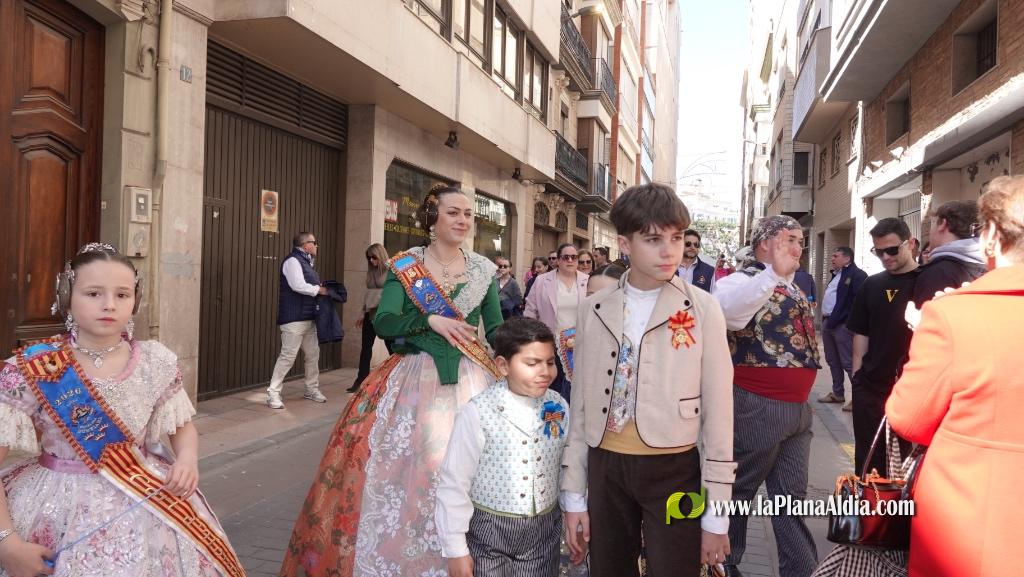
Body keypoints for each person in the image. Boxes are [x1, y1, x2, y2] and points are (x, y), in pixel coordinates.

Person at [280, 184, 504, 577]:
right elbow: (384, 321)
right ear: (433, 219)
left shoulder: (484, 269)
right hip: (414, 381)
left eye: (468, 214)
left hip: (472, 379)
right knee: (408, 470)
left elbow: (497, 327)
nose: (463, 221)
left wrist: (515, 358)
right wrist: (428, 319)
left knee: (471, 470)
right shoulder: (406, 266)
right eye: (454, 213)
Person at [0, 243, 245, 577]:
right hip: (53, 503)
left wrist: (187, 460)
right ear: (67, 296)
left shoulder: (155, 361)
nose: (110, 305)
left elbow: (182, 426)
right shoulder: (34, 366)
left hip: (145, 496)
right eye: (93, 293)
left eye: (123, 294)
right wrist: (8, 544)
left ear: (136, 300)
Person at [561, 183, 735, 577]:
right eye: (654, 239)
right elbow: (581, 405)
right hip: (606, 464)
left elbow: (720, 415)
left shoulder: (703, 308)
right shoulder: (594, 309)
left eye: (676, 238)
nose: (669, 250)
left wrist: (717, 516)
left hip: (675, 467)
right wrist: (574, 495)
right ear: (624, 243)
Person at [886, 176, 1024, 577]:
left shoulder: (954, 315)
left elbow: (907, 417)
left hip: (970, 516)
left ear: (993, 236)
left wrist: (926, 335)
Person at [713, 215, 821, 577]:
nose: (797, 248)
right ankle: (721, 568)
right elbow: (729, 315)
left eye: (800, 241)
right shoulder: (740, 281)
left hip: (796, 411)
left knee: (791, 500)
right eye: (789, 239)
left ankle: (801, 571)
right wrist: (771, 275)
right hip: (758, 405)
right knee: (739, 496)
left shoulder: (791, 285)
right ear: (764, 244)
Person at [436, 317, 569, 577]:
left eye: (550, 362)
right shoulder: (478, 412)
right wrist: (456, 549)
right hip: (489, 536)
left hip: (543, 536)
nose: (545, 371)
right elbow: (454, 482)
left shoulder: (559, 406)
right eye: (532, 363)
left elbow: (566, 463)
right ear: (503, 365)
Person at [846, 218, 918, 477]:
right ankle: (867, 515)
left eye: (892, 250)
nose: (885, 257)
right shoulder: (872, 284)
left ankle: (898, 518)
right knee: (867, 462)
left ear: (910, 244)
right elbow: (860, 334)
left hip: (911, 391)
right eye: (879, 252)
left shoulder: (925, 281)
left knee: (905, 468)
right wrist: (857, 379)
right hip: (871, 388)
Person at [266, 231, 329, 409]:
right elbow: (297, 285)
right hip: (293, 318)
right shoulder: (292, 261)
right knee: (288, 356)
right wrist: (319, 290)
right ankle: (273, 393)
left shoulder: (307, 262)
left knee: (312, 354)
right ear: (305, 245)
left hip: (309, 317)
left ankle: (311, 389)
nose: (316, 246)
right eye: (314, 243)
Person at [524, 243, 588, 402]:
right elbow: (530, 311)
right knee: (553, 387)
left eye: (574, 257)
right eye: (566, 257)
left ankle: (572, 422)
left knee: (575, 390)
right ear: (558, 260)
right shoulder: (542, 281)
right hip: (551, 343)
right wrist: (532, 339)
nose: (570, 260)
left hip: (580, 346)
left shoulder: (587, 280)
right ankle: (552, 420)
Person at [817, 247, 867, 410]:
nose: (832, 258)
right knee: (833, 361)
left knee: (848, 362)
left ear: (847, 259)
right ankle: (837, 393)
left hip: (842, 325)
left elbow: (858, 301)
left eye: (835, 256)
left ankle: (859, 398)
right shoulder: (836, 275)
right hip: (828, 322)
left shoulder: (857, 275)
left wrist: (848, 321)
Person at [911, 200, 986, 307]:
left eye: (933, 224)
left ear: (942, 224)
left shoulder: (936, 274)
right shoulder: (993, 266)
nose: (930, 232)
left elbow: (928, 321)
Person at [349, 243, 391, 393]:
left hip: (386, 316)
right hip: (370, 315)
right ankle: (360, 380)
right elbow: (367, 295)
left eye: (374, 257)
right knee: (366, 349)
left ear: (381, 255)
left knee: (392, 348)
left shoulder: (392, 271)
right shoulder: (370, 273)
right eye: (369, 258)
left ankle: (397, 378)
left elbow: (390, 294)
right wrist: (362, 312)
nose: (372, 261)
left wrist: (373, 298)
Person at [495, 255, 523, 320]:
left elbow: (518, 300)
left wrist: (508, 304)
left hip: (508, 315)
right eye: (500, 266)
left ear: (510, 268)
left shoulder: (513, 283)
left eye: (505, 266)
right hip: (496, 313)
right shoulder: (495, 281)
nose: (502, 268)